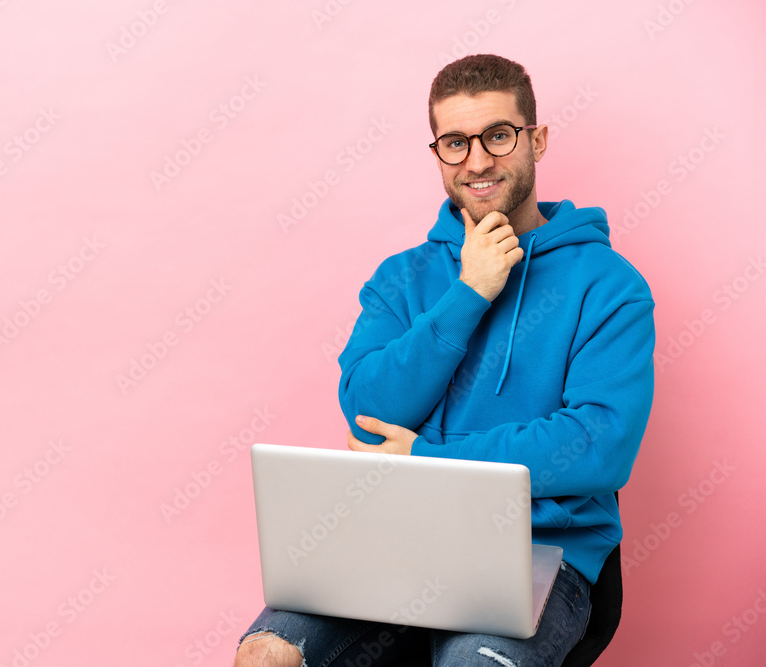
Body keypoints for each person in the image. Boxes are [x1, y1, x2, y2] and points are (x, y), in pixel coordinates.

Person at [234, 53, 655, 666]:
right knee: (267, 656)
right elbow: (369, 413)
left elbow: (599, 444)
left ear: (536, 139)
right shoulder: (402, 278)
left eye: (498, 136)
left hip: (534, 552)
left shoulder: (609, 285)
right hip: (390, 538)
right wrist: (469, 294)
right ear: (436, 153)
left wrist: (429, 459)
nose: (478, 161)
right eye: (455, 143)